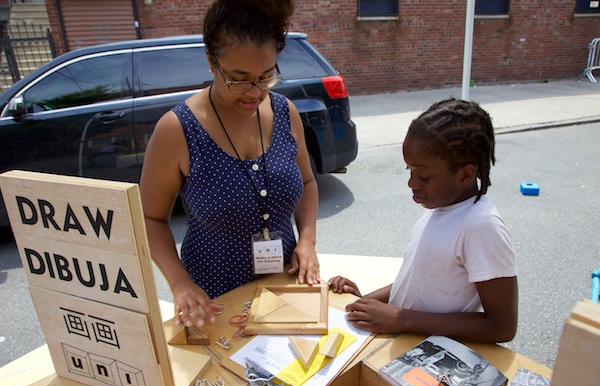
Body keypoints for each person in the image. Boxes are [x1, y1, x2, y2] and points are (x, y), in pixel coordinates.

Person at [140, 0, 319, 328]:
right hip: (212, 301)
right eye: (239, 79)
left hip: (282, 288)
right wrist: (180, 284)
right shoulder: (178, 129)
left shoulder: (285, 112)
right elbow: (150, 219)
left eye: (266, 76)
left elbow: (307, 183)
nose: (254, 92)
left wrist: (307, 239)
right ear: (211, 62)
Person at [329, 98, 518, 343]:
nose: (411, 183)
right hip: (404, 337)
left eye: (424, 176)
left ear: (465, 174)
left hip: (426, 354)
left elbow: (502, 327)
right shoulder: (441, 208)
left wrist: (401, 318)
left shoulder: (481, 226)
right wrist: (365, 302)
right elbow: (420, 282)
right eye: (410, 171)